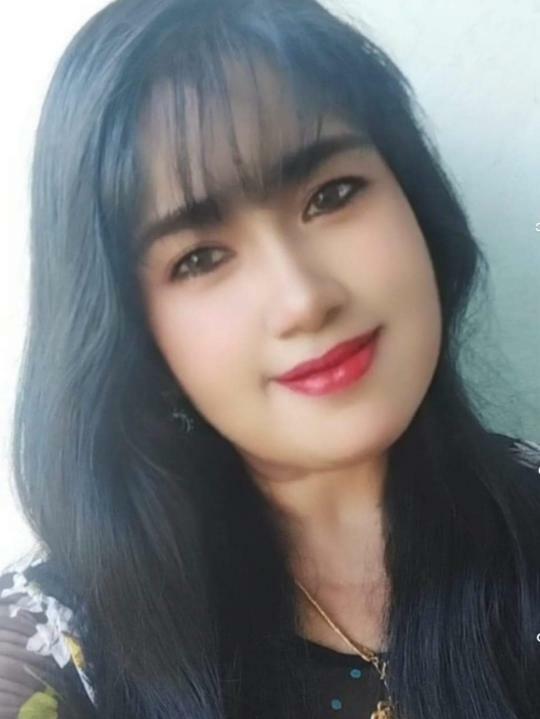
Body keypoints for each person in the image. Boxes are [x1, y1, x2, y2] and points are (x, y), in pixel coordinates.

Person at [1, 0, 539, 717]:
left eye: (332, 195)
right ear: (132, 335)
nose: (303, 300)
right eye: (200, 258)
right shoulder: (61, 645)